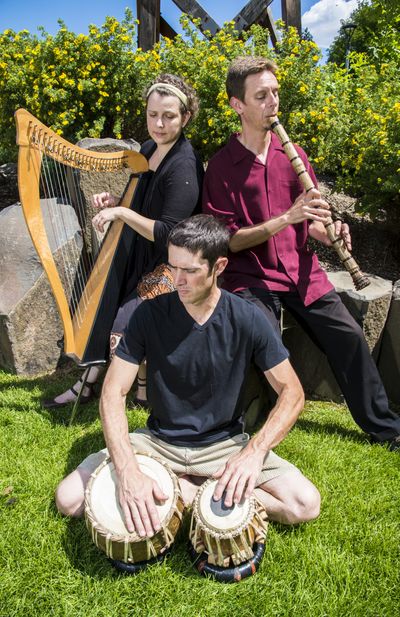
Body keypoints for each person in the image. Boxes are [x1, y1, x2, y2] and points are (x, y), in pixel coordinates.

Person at [55, 214, 320, 534]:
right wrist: (127, 470)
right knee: (68, 499)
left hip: (224, 445)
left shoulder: (248, 318)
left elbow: (292, 393)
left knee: (304, 503)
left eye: (190, 270)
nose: (176, 279)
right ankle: (201, 497)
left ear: (219, 267)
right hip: (157, 442)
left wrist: (253, 453)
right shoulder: (148, 314)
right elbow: (113, 392)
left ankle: (186, 494)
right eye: (173, 266)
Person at [202, 56, 400, 451]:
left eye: (275, 92)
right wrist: (285, 217)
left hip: (301, 270)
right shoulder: (222, 167)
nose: (273, 101)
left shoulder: (292, 154)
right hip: (251, 276)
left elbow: (306, 222)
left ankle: (386, 428)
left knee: (348, 337)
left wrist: (328, 235)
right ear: (236, 105)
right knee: (263, 344)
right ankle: (242, 424)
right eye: (261, 95)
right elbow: (230, 240)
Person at [43, 73, 204, 409]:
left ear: (186, 117)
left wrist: (122, 215)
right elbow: (145, 202)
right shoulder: (148, 149)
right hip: (140, 254)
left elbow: (169, 234)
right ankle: (101, 383)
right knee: (108, 301)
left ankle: (125, 387)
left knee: (122, 325)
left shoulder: (184, 166)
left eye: (169, 116)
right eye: (152, 115)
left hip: (170, 268)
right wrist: (116, 201)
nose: (159, 124)